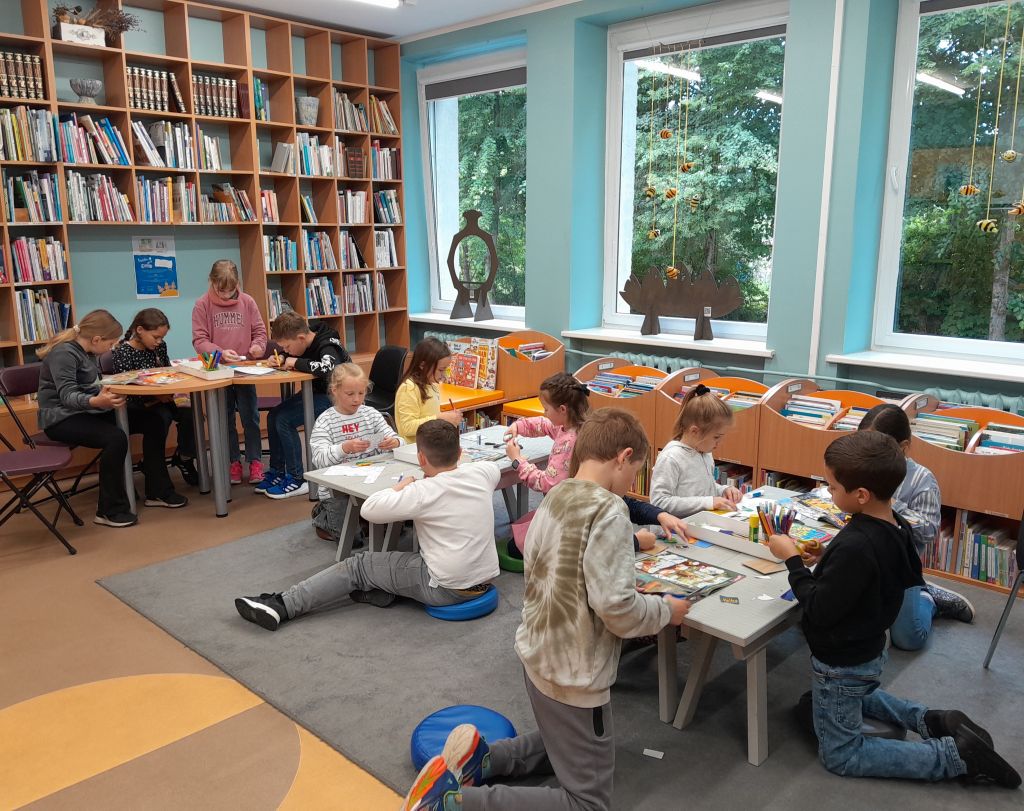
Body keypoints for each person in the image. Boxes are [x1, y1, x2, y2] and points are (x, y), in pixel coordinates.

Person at [401, 408, 690, 810]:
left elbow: (547, 566)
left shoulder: (555, 494)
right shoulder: (610, 511)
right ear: (623, 457)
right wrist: (665, 612)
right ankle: (453, 803)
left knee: (567, 738)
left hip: (537, 652)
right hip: (575, 672)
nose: (630, 484)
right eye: (635, 471)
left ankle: (486, 759)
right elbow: (617, 610)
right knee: (588, 802)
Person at [767, 431, 1019, 787]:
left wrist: (792, 561)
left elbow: (819, 609)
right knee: (852, 694)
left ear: (861, 495)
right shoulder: (894, 524)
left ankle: (954, 757)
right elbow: (871, 570)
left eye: (832, 487)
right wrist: (827, 557)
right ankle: (929, 719)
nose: (828, 492)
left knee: (841, 753)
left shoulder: (857, 544)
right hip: (867, 651)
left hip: (842, 661)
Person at [234, 419, 499, 629]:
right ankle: (381, 588)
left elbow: (370, 509)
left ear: (420, 459)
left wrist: (401, 486)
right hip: (484, 579)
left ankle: (282, 605)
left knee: (359, 565)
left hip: (445, 588)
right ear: (460, 453)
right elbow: (492, 468)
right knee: (407, 557)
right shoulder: (483, 474)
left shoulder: (421, 492)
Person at [38, 310, 187, 528]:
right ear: (96, 339)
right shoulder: (64, 354)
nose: (111, 348)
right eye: (110, 343)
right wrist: (97, 401)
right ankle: (109, 510)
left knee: (154, 421)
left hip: (88, 411)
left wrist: (108, 389)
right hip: (61, 419)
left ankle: (158, 491)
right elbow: (67, 396)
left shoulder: (87, 352)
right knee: (115, 438)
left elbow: (89, 385)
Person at [858, 403, 974, 651]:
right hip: (861, 556)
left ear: (903, 447)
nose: (868, 455)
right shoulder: (859, 466)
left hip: (900, 566)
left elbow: (928, 531)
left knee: (908, 638)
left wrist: (888, 502)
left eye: (878, 448)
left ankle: (928, 598)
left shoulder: (922, 479)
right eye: (863, 445)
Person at [254, 310, 351, 498]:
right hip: (317, 392)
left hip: (338, 398)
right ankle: (277, 471)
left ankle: (297, 478)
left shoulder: (327, 344)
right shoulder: (305, 337)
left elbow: (329, 368)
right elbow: (296, 352)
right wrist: (282, 356)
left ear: (300, 338)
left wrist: (295, 361)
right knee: (273, 415)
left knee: (284, 419)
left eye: (287, 346)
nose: (286, 350)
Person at [191, 259, 267, 486]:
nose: (225, 295)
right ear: (211, 281)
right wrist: (220, 352)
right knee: (225, 420)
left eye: (230, 290)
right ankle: (233, 461)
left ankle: (255, 461)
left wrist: (258, 346)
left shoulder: (247, 301)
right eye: (220, 290)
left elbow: (260, 332)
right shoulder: (202, 305)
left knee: (250, 417)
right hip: (218, 371)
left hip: (244, 371)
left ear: (237, 284)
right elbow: (199, 340)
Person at [308, 363, 403, 542]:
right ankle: (322, 514)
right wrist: (344, 448)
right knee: (353, 539)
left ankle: (360, 517)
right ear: (335, 391)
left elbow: (398, 440)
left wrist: (394, 442)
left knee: (395, 530)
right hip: (338, 490)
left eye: (361, 393)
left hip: (371, 484)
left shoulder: (371, 414)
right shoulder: (325, 420)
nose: (357, 399)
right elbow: (318, 459)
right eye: (350, 394)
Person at [503, 372, 590, 558]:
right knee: (519, 534)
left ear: (562, 409)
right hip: (570, 506)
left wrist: (517, 460)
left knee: (514, 546)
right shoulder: (573, 425)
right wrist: (519, 426)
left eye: (546, 409)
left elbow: (546, 483)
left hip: (566, 514)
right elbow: (544, 424)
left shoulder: (569, 441)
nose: (544, 413)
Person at [111, 307, 198, 486]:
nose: (159, 342)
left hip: (163, 398)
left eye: (162, 338)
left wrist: (171, 390)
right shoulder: (123, 352)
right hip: (138, 404)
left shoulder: (159, 347)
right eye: (156, 337)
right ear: (140, 330)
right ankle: (153, 467)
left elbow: (167, 373)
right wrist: (157, 397)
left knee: (192, 413)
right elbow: (125, 388)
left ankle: (184, 457)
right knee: (161, 418)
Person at [650, 383, 742, 518]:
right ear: (694, 431)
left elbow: (703, 488)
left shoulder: (704, 453)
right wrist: (708, 502)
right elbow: (659, 502)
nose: (719, 443)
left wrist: (723, 490)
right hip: (675, 529)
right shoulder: (671, 458)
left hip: (700, 524)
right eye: (716, 437)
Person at [394, 337, 462, 444]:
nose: (444, 375)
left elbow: (429, 415)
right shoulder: (409, 388)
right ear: (423, 365)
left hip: (431, 445)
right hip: (414, 448)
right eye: (441, 370)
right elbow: (407, 427)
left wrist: (448, 418)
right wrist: (440, 419)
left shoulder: (433, 385)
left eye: (445, 370)